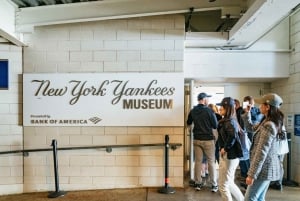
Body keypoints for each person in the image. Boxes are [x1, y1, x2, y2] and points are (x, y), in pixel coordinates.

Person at [243, 93, 283, 201]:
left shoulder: (269, 125)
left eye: (261, 104)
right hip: (265, 169)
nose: (259, 106)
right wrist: (247, 113)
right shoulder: (266, 121)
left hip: (263, 170)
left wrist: (251, 175)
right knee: (259, 198)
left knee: (250, 198)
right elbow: (251, 128)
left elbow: (261, 152)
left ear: (267, 107)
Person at [187, 92, 218, 192]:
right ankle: (214, 185)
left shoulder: (193, 110)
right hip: (208, 140)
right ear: (204, 99)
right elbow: (215, 125)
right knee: (211, 162)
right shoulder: (209, 111)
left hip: (197, 139)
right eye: (207, 99)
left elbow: (188, 123)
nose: (208, 100)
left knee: (198, 162)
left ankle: (198, 183)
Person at [217, 97, 244, 201]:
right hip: (232, 157)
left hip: (229, 156)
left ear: (227, 108)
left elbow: (232, 136)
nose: (220, 109)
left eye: (222, 107)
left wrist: (225, 148)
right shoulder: (231, 120)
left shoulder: (229, 121)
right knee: (230, 183)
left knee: (223, 186)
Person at [235, 98, 251, 189]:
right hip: (242, 136)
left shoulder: (239, 112)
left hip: (242, 137)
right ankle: (244, 175)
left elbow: (242, 127)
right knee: (243, 157)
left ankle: (245, 176)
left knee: (244, 157)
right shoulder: (239, 111)